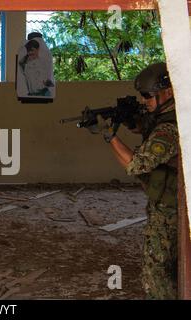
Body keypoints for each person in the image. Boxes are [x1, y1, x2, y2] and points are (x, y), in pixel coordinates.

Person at [89, 62, 178, 299]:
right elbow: (145, 125)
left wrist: (110, 136)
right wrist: (128, 118)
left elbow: (136, 163)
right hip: (170, 204)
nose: (145, 100)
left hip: (171, 209)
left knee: (156, 272)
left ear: (167, 92)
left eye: (148, 96)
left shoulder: (169, 128)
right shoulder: (169, 115)